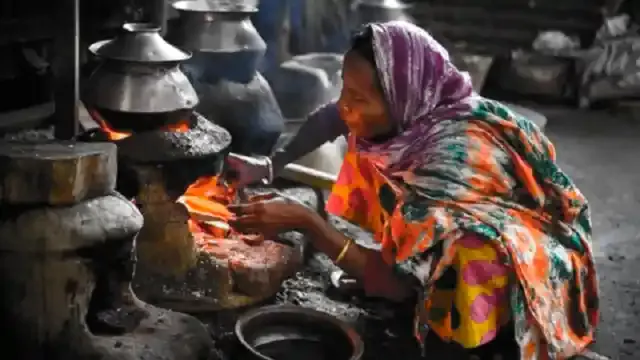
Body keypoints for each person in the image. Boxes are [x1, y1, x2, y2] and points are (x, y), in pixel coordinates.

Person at [226, 21, 599, 360]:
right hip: (450, 216)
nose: (345, 104)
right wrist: (270, 164)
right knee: (369, 148)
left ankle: (478, 339)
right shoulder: (418, 105)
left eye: (359, 98)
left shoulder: (448, 161)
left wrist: (308, 222)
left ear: (402, 98)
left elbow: (393, 284)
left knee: (468, 256)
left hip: (525, 259)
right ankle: (413, 259)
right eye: (345, 89)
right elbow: (333, 115)